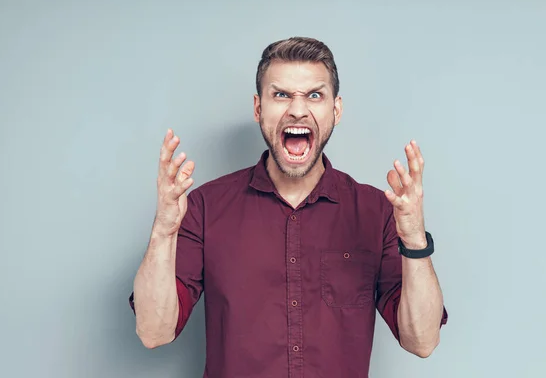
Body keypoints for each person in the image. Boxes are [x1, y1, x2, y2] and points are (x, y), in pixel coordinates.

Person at [129, 37, 448, 377]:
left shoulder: (376, 212)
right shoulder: (205, 207)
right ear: (258, 108)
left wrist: (414, 240)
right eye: (281, 95)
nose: (297, 110)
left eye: (314, 95)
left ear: (336, 110)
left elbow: (422, 341)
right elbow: (153, 332)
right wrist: (163, 232)